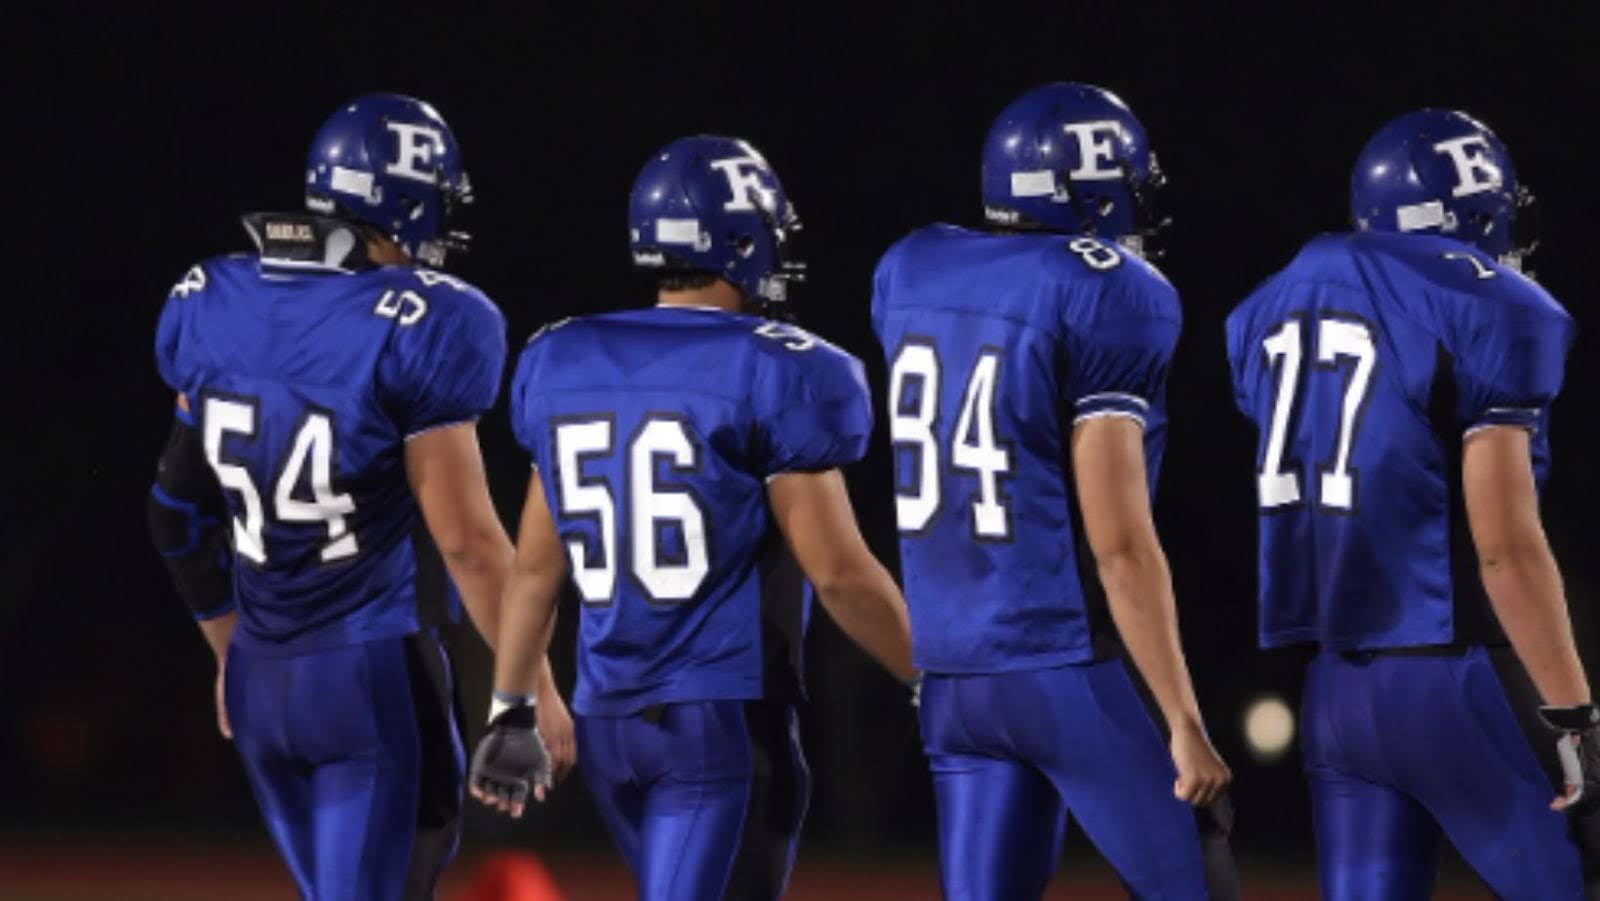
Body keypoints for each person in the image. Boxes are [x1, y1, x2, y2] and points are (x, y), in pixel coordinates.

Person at [146, 93, 573, 900]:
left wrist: (230, 647)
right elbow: (468, 544)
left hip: (261, 681)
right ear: (404, 202)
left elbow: (173, 508)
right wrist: (526, 692)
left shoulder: (214, 298)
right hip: (365, 679)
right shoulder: (423, 319)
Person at [466, 135, 915, 901]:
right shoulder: (780, 367)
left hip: (608, 722)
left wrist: (511, 707)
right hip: (716, 722)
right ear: (742, 240)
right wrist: (931, 674)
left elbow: (539, 565)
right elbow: (838, 573)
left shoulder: (565, 360)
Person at [869, 81, 1237, 900]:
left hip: (954, 678)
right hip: (1062, 661)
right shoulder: (1112, 292)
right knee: (1197, 871)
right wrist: (1183, 718)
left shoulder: (914, 265)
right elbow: (1119, 541)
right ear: (1095, 187)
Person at [1225, 108, 1600, 899]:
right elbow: (1504, 547)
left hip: (1337, 691)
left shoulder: (1271, 304)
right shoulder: (1494, 307)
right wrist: (1576, 718)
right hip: (1456, 670)